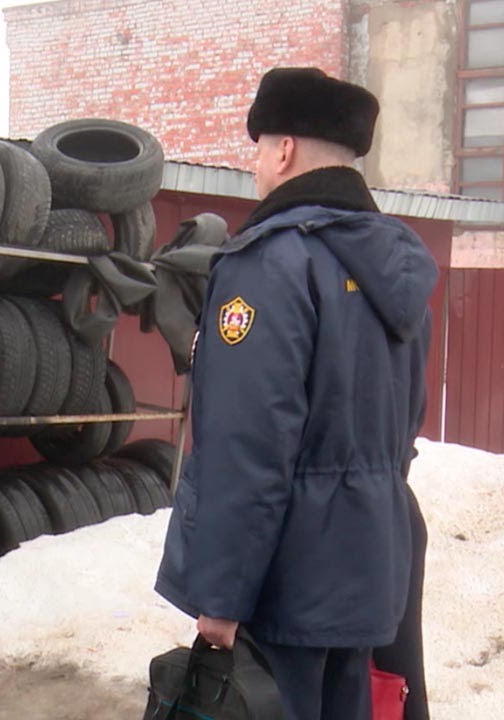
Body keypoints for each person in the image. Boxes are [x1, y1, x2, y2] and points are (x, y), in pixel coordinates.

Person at [155, 67, 436, 720]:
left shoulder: (271, 264)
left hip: (286, 585)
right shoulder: (396, 266)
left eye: (258, 149)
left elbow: (247, 447)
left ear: (284, 150)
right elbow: (406, 425)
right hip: (373, 571)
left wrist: (221, 598)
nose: (255, 166)